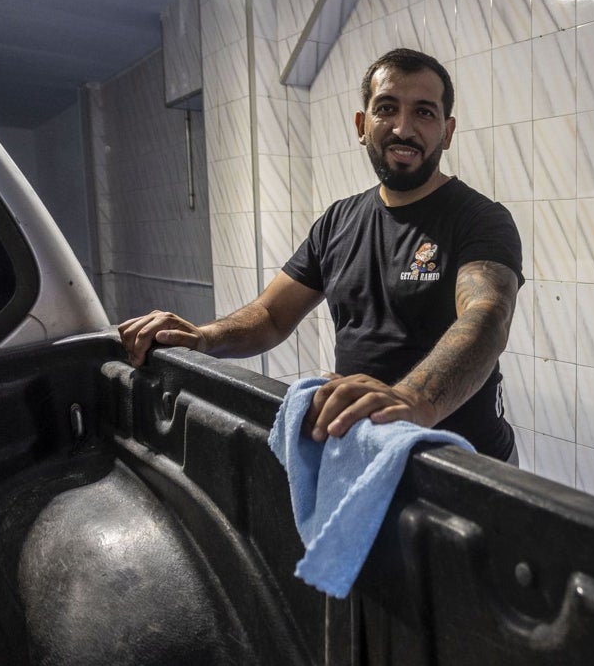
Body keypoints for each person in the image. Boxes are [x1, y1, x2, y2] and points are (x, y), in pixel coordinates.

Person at [119, 48, 524, 462]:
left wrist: (413, 399)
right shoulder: (338, 221)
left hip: (467, 467)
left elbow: (487, 314)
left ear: (447, 131)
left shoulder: (479, 219)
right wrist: (203, 338)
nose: (404, 128)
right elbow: (273, 316)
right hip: (365, 452)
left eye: (424, 112)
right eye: (387, 108)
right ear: (362, 125)